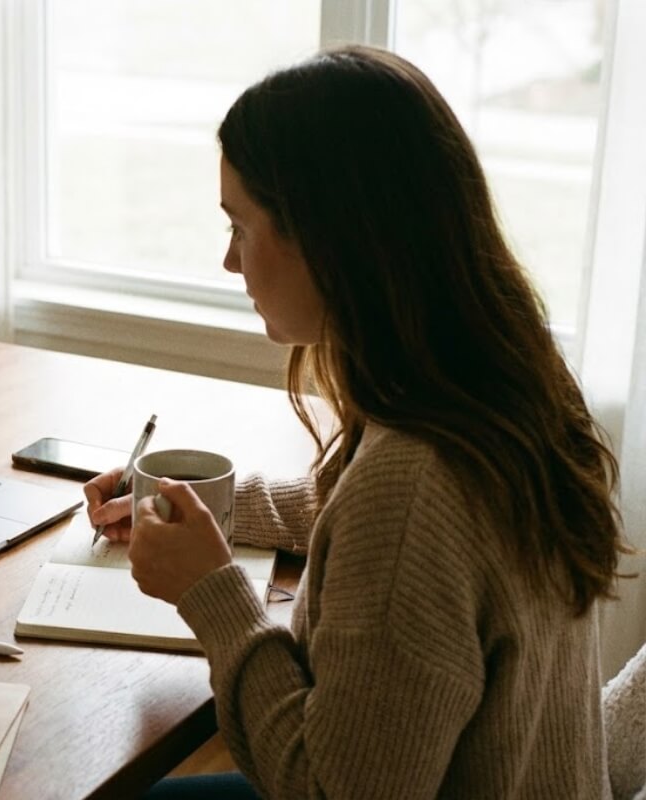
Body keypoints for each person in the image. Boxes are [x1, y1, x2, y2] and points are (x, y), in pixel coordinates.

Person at [84, 46, 628, 799]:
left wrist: (212, 593)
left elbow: (328, 790)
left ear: (325, 236)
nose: (229, 262)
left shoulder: (410, 487)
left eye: (240, 226)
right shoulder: (498, 385)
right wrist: (219, 510)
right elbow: (389, 542)